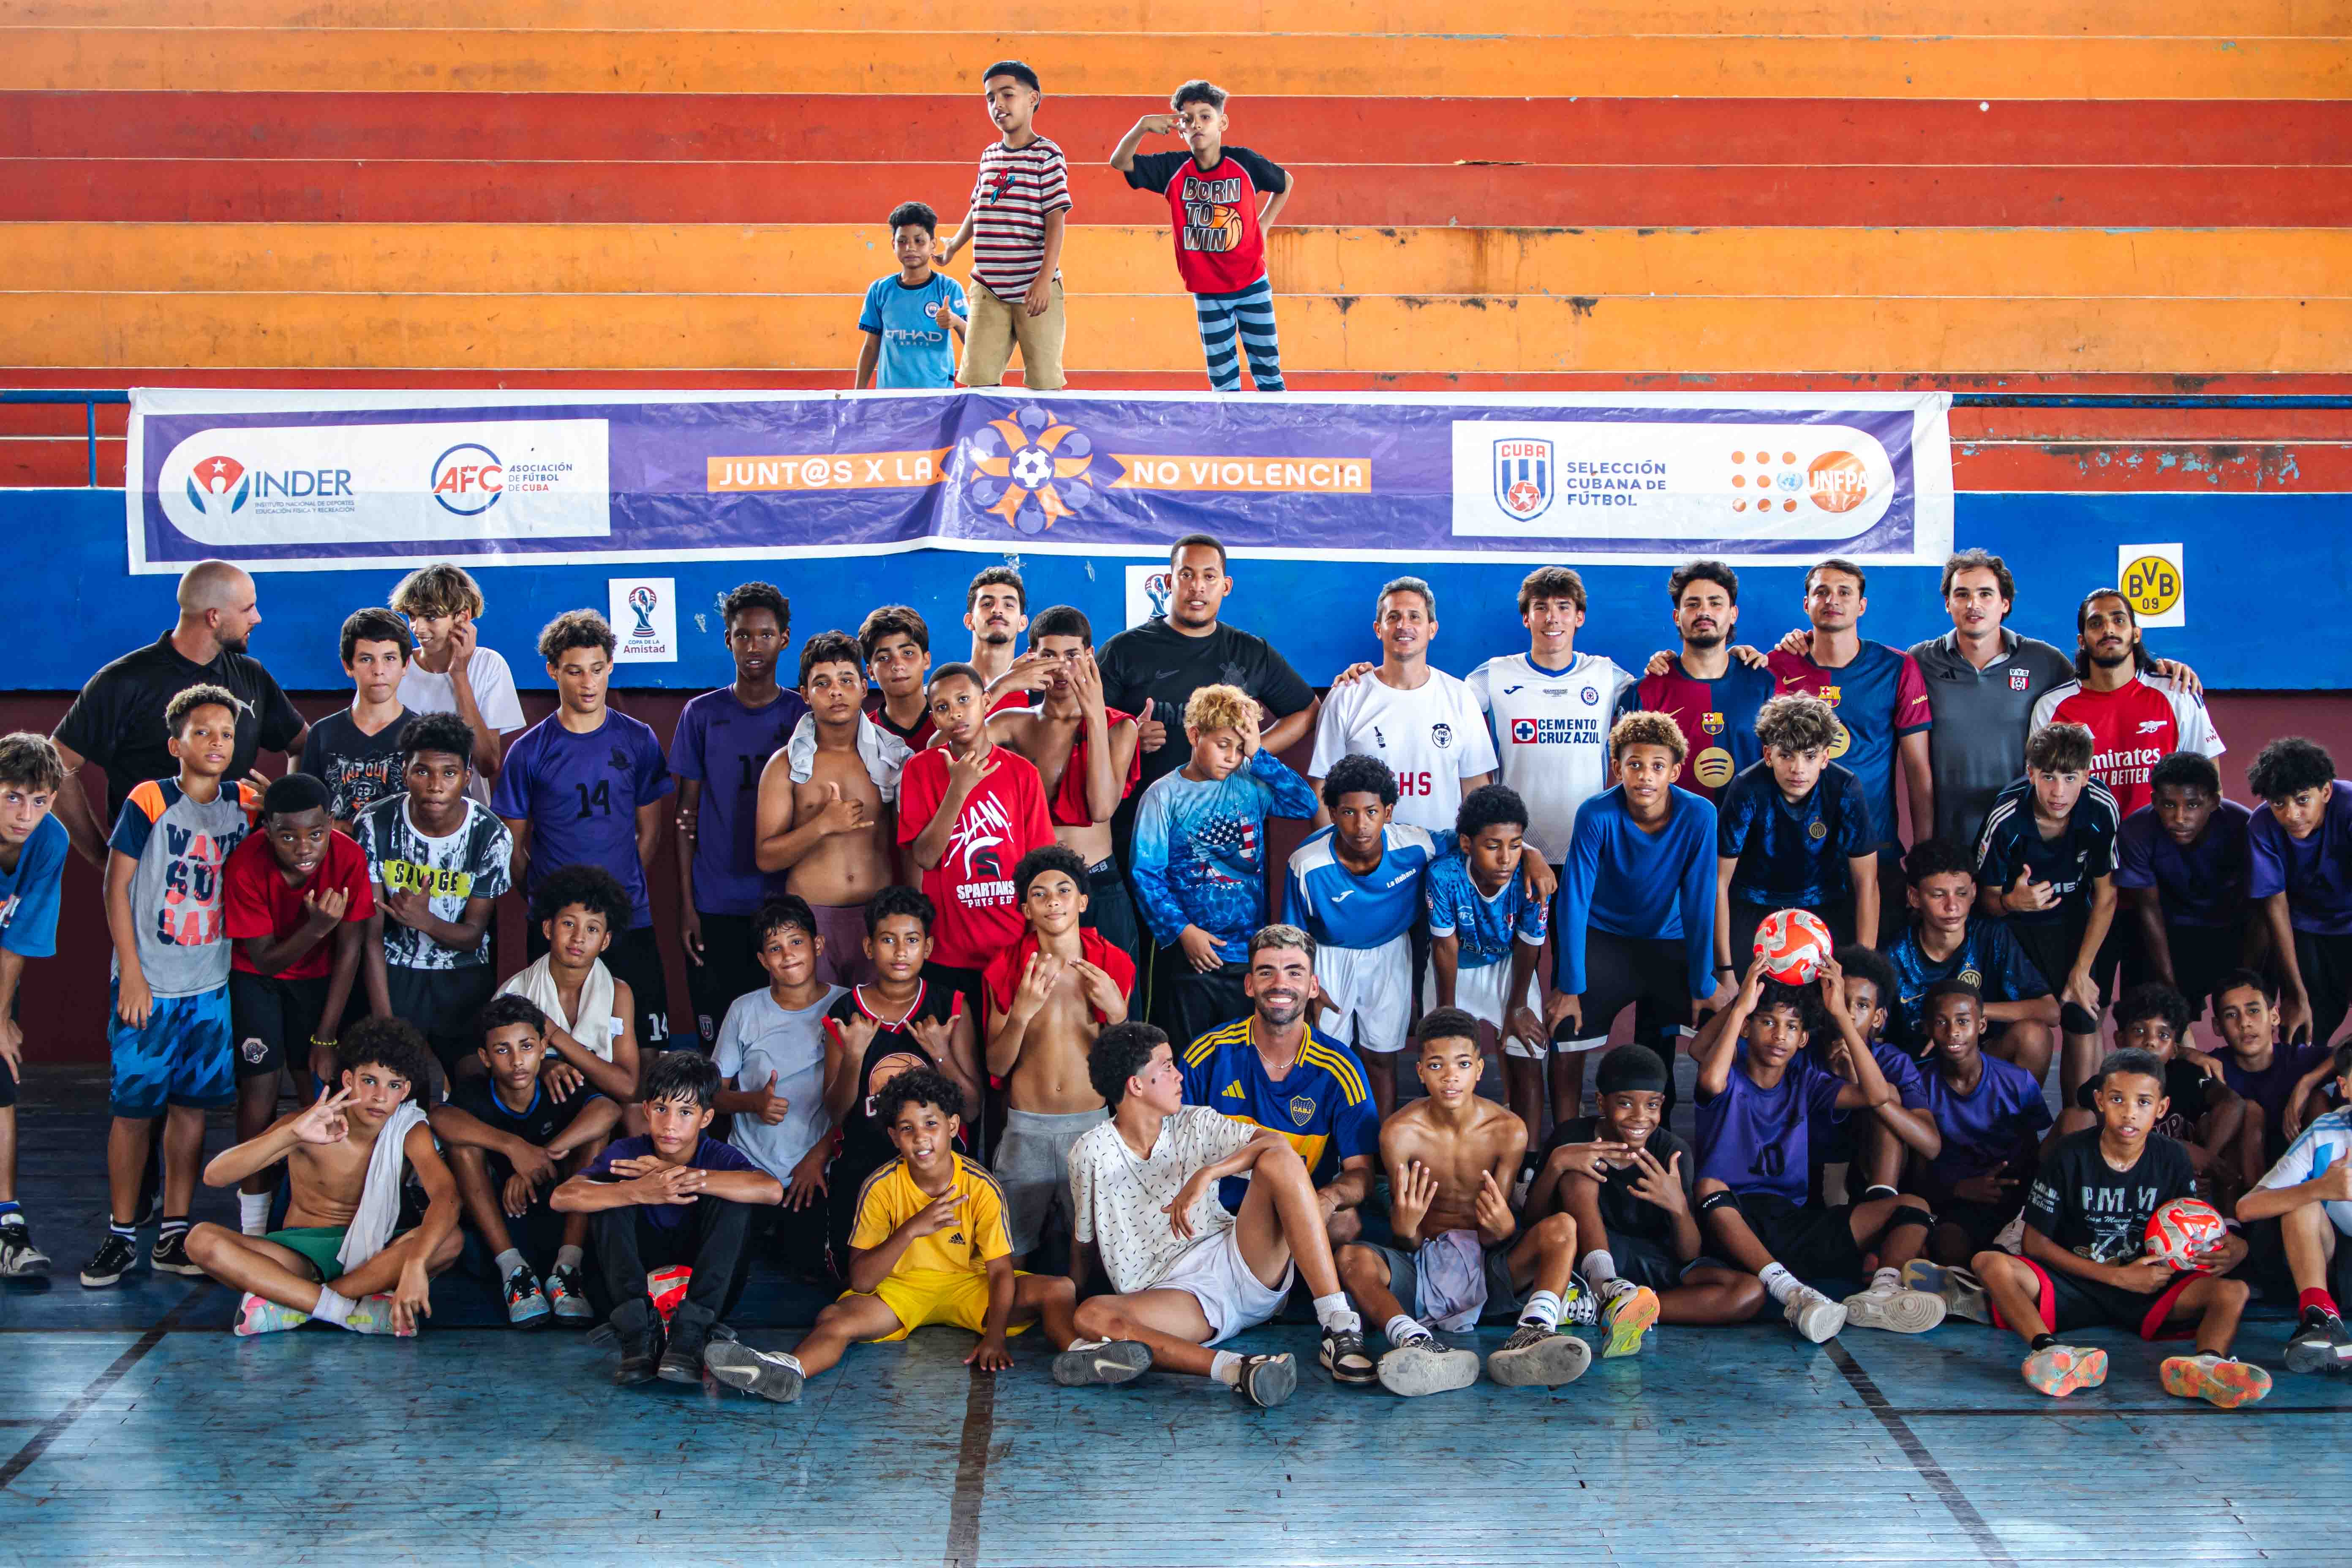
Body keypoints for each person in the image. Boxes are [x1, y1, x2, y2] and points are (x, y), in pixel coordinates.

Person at [704, 1070, 1149, 1402]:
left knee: (1059, 1288)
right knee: (834, 1320)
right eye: (908, 1129)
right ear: (895, 1137)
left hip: (967, 1286)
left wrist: (994, 1337)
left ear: (953, 1127)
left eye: (932, 1125)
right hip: (902, 1290)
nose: (922, 1139)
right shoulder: (881, 1186)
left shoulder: (979, 1184)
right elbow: (860, 1280)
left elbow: (999, 1272)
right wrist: (913, 1228)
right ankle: (788, 1370)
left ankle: (1082, 1354)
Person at [1064, 1022, 1367, 1407]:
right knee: (1091, 1314)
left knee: (1277, 1158)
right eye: (1168, 1066)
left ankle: (1338, 1325)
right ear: (1136, 1086)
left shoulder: (1196, 1121)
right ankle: (1239, 1369)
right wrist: (1072, 1300)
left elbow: (1275, 1143)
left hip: (1241, 1263)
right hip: (1173, 1297)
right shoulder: (1090, 1152)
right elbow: (1083, 1240)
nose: (1180, 1076)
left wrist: (1209, 1173)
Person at [1964, 1046, 2267, 1407]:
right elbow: (2035, 1244)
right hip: (2076, 1283)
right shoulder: (2070, 1153)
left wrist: (2233, 1248)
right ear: (2100, 1101)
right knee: (1988, 1262)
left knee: (2232, 1292)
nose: (2129, 1113)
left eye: (2143, 1102)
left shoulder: (2171, 1158)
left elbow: (2191, 1229)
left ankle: (2206, 1366)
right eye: (2118, 1099)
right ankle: (2049, 1353)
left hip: (2148, 1285)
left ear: (2161, 1108)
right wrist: (2115, 1277)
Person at [83, 684, 259, 1290]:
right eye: (203, 732)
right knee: (134, 1112)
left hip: (210, 988)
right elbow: (116, 888)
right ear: (175, 744)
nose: (217, 743)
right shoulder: (150, 799)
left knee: (191, 1111)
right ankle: (121, 1231)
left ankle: (174, 1233)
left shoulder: (245, 803)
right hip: (150, 985)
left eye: (227, 735)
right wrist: (130, 971)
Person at [1334, 1009, 1592, 1396]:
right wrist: (1405, 1230)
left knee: (1563, 1228)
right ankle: (1415, 1342)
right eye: (1436, 1065)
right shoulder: (1399, 1133)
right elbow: (1408, 1240)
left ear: (1479, 1069)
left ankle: (1533, 1333)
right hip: (1421, 1269)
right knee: (1351, 1258)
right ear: (1420, 1071)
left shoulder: (1508, 1130)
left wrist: (1504, 1228)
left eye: (1463, 1064)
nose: (1450, 1076)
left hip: (1489, 1270)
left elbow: (1497, 1235)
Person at [1690, 955, 1946, 1342]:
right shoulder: (1729, 1078)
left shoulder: (1805, 1082)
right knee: (1709, 1187)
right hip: (1733, 1221)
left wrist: (1841, 1016)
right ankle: (1791, 1292)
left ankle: (1883, 1291)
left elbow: (1878, 1096)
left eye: (1792, 1027)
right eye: (1768, 1022)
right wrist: (1742, 1002)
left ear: (1803, 1038)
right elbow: (1708, 1073)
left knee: (1914, 1208)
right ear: (1745, 1028)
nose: (1780, 1035)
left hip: (1793, 1219)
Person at [185, 1019, 461, 1337]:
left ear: (406, 1091)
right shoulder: (307, 1124)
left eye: (394, 1085)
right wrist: (291, 1133)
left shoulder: (409, 1129)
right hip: (300, 1254)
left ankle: (296, 1304)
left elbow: (448, 1197)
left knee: (451, 1240)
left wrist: (414, 1264)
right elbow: (215, 1176)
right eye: (369, 1081)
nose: (380, 1097)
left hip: (378, 1256)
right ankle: (347, 1311)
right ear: (349, 1080)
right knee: (200, 1240)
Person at [493, 610, 676, 1048]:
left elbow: (649, 831)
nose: (588, 682)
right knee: (551, 1047)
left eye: (597, 670)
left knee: (646, 1045)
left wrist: (615, 896)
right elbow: (513, 847)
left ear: (610, 666)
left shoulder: (638, 738)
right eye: (574, 671)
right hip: (556, 924)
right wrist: (546, 901)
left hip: (629, 915)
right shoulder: (529, 751)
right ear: (553, 671)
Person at [50, 558, 304, 871]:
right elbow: (58, 764)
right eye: (247, 609)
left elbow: (304, 744)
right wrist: (102, 858)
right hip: (154, 878)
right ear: (214, 617)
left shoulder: (252, 675)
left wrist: (285, 807)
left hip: (239, 876)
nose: (258, 618)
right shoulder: (122, 681)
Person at [551, 1052, 784, 1386]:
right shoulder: (628, 1152)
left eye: (686, 1112)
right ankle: (638, 1335)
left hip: (705, 1297)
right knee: (609, 1194)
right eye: (661, 1109)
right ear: (646, 1110)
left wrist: (677, 1174)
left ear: (706, 1118)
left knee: (734, 1199)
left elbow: (771, 1190)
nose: (670, 1124)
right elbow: (562, 1198)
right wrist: (637, 1192)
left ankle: (691, 1334)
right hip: (628, 1293)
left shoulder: (717, 1155)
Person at [1525, 1043, 1769, 1341]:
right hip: (1585, 1261)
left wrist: (1678, 1207)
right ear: (1601, 1103)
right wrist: (1556, 1164)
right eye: (1626, 1103)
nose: (1641, 1117)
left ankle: (1616, 1311)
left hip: (1653, 1262)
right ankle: (1605, 1287)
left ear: (1662, 1104)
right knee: (1581, 1168)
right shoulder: (1573, 1136)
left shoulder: (1672, 1152)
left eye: (1652, 1105)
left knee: (1749, 1293)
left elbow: (1688, 1254)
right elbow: (1532, 1219)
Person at [1096, 533, 1319, 853]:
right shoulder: (1124, 650)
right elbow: (1080, 726)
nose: (1197, 587)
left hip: (1224, 839)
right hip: (1143, 834)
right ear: (1167, 582)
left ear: (1225, 586)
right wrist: (1125, 739)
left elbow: (1307, 710)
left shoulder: (1251, 652)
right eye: (1186, 575)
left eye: (1209, 576)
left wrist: (1246, 753)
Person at [223, 773, 373, 1234]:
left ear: (331, 825)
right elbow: (265, 961)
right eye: (288, 836)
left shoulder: (349, 857)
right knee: (259, 1092)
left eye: (316, 834)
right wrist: (315, 928)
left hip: (320, 982)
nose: (304, 847)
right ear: (266, 829)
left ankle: (323, 1215)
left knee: (323, 1095)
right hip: (258, 980)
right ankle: (254, 1220)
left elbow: (350, 949)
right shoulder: (245, 864)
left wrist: (326, 1035)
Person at [1130, 683, 1317, 1049]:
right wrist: (1183, 931)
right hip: (1190, 957)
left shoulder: (1249, 785)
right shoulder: (1164, 796)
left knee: (1241, 1054)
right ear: (1195, 735)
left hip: (1246, 955)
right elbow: (1146, 874)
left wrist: (1259, 754)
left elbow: (1304, 805)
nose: (1232, 757)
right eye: (1222, 745)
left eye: (1239, 747)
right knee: (1190, 1054)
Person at [1548, 713, 1721, 1095]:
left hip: (1668, 939)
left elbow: (1699, 901)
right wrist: (1570, 984)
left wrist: (1703, 981)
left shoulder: (1700, 815)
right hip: (1606, 937)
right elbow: (1574, 898)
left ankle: (1662, 1134)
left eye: (1658, 767)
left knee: (1701, 1022)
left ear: (1675, 773)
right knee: (1565, 1028)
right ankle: (1562, 1137)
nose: (1646, 775)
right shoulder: (1596, 813)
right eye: (1635, 765)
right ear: (1617, 768)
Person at [1763, 558, 1933, 942]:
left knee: (1866, 983)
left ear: (1862, 606)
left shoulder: (1897, 668)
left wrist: (1923, 856)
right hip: (1794, 857)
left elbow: (1918, 770)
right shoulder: (1774, 666)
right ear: (1806, 604)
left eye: (1844, 592)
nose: (1832, 600)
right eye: (1821, 591)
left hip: (1877, 852)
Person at [670, 582, 807, 1046]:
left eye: (765, 635)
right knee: (721, 1037)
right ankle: (722, 1120)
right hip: (716, 902)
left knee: (782, 1034)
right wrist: (687, 907)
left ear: (784, 639)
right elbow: (684, 817)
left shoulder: (801, 714)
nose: (754, 647)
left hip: (783, 898)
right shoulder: (701, 714)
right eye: (743, 635)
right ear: (727, 639)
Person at [1180, 926, 1378, 1246]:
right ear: (1249, 985)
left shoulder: (1342, 1068)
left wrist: (1326, 1200)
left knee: (1346, 1223)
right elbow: (1172, 1148)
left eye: (1294, 972)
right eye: (1266, 972)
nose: (1280, 984)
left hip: (1294, 1219)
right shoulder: (1207, 1054)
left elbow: (1362, 1174)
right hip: (1215, 1218)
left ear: (1313, 987)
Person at [984, 846, 1135, 1263]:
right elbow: (995, 1065)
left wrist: (1118, 1013)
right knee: (1008, 1251)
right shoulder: (1006, 968)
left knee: (1088, 1252)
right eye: (1039, 893)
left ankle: (1078, 1316)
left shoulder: (1112, 966)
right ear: (1025, 909)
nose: (1053, 900)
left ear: (1083, 901)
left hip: (1090, 1128)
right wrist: (1021, 1015)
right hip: (1024, 1130)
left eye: (1064, 890)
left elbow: (1126, 1068)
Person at [428, 995, 615, 1327]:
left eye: (526, 1047)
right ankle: (514, 1272)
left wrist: (543, 1156)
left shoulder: (557, 1087)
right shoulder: (476, 1093)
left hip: (563, 1212)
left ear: (544, 1049)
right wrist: (513, 1147)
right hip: (501, 1218)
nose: (517, 1060)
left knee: (594, 1136)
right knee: (463, 1144)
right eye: (503, 1050)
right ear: (485, 1057)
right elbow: (441, 1119)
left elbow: (609, 1111)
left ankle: (568, 1270)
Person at [351, 713, 512, 1083]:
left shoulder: (490, 835)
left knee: (473, 1087)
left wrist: (426, 921)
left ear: (467, 778)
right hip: (394, 971)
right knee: (403, 1086)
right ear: (405, 772)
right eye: (422, 772)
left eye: (450, 774)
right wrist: (385, 1021)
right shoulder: (376, 824)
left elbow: (474, 934)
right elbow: (370, 935)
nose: (436, 785)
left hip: (463, 975)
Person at [823, 887, 980, 1259]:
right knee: (860, 1278)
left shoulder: (951, 1005)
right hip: (867, 1163)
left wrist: (941, 1054)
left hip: (938, 1163)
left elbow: (971, 1109)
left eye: (911, 940)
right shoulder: (845, 1012)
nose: (900, 952)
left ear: (927, 948)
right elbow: (834, 1113)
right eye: (888, 940)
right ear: (868, 947)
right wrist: (854, 1056)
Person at [898, 662, 1055, 1033]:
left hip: (1013, 948)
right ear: (933, 717)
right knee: (956, 1064)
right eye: (942, 707)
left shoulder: (1021, 774)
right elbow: (924, 856)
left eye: (964, 700)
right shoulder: (920, 770)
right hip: (949, 951)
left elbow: (1040, 865)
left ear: (986, 703)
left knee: (1010, 1063)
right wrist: (959, 788)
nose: (955, 714)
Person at [1111, 79, 1291, 391]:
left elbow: (1285, 181)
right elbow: (1120, 162)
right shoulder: (1173, 168)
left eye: (1206, 117)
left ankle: (1276, 437)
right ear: (1180, 130)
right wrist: (1142, 126)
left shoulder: (1244, 162)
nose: (1197, 125)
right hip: (1208, 292)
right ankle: (1230, 437)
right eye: (1188, 120)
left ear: (1222, 122)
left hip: (1251, 283)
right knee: (1223, 381)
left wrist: (1264, 224)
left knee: (1268, 373)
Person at [1283, 755, 1436, 1119]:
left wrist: (1530, 851)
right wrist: (1307, 990)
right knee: (1323, 1057)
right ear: (1333, 814)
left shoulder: (1417, 846)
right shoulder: (1307, 864)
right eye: (1349, 813)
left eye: (1371, 812)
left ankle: (1379, 1145)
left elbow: (1475, 840)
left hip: (1389, 954)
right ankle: (1328, 1146)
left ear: (1389, 812)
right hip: (1327, 957)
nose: (1361, 825)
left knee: (1380, 1057)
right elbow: (1291, 939)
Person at [1974, 720, 2121, 1100]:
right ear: (2031, 773)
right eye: (2049, 777)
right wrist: (2010, 902)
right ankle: (2009, 1123)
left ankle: (2079, 1120)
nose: (2059, 792)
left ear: (2086, 777)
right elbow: (1983, 900)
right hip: (2016, 930)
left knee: (2082, 1013)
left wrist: (2082, 969)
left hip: (2077, 922)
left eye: (2070, 778)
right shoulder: (2006, 817)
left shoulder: (2101, 809)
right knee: (2017, 1029)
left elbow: (2106, 897)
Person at [988, 606, 1144, 958]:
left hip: (1098, 883)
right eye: (1049, 656)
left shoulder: (1120, 726)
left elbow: (1102, 808)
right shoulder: (1012, 724)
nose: (1061, 668)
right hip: (1034, 887)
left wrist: (1094, 714)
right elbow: (938, 751)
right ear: (1032, 659)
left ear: (1089, 656)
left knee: (1112, 1007)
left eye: (1072, 655)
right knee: (1036, 1004)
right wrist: (1003, 684)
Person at [754, 631, 901, 989]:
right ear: (805, 694)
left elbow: (912, 845)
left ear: (865, 687)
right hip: (810, 921)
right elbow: (766, 857)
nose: (836, 691)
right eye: (822, 683)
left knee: (875, 1035)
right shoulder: (784, 766)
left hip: (877, 917)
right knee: (813, 1034)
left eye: (846, 680)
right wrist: (822, 825)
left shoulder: (893, 760)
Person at [1906, 550, 2079, 852]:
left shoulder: (2045, 661)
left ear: (2005, 604)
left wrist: (2155, 668)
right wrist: (1802, 646)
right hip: (1949, 836)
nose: (1973, 605)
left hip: (2022, 835)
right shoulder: (1920, 660)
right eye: (1962, 594)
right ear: (1948, 604)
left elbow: (2100, 690)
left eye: (1986, 594)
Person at [1466, 566, 1637, 871]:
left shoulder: (1606, 674)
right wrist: (1368, 679)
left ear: (1579, 617)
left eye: (1563, 607)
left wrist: (1728, 658)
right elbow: (1435, 699)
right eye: (1541, 607)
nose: (1552, 617)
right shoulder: (1493, 675)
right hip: (1517, 847)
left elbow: (1658, 693)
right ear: (1526, 618)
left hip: (1590, 845)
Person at [711, 897, 847, 1267]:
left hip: (815, 1167)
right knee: (729, 1255)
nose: (787, 956)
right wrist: (753, 1102)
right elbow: (713, 1096)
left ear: (818, 945)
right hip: (750, 1164)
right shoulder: (745, 1010)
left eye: (797, 942)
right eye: (775, 948)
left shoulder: (846, 1006)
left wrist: (817, 1158)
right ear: (763, 960)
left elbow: (857, 1103)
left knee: (806, 1263)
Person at [1308, 577, 1499, 841]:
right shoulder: (1346, 697)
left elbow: (1476, 789)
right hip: (1367, 865)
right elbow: (1321, 789)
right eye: (1394, 617)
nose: (1403, 626)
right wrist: (1333, 862)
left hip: (1441, 859)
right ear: (1378, 629)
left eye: (1414, 617)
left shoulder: (1460, 696)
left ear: (1433, 629)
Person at [2029, 587, 2222, 822]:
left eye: (2119, 620)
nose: (2108, 629)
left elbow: (2211, 784)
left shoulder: (2178, 693)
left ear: (2136, 634)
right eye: (2096, 623)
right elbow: (2040, 789)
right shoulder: (2051, 706)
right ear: (2082, 641)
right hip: (2086, 848)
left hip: (2162, 846)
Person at [1714, 694, 1877, 971]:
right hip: (1752, 904)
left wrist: (1862, 969)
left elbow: (1867, 883)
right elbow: (1718, 882)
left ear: (1825, 758)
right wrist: (1725, 969)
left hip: (1825, 903)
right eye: (1786, 755)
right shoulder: (1746, 788)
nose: (1798, 769)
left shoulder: (1845, 787)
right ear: (1768, 755)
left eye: (1810, 756)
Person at [2056, 983, 2256, 1206]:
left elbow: (2233, 1104)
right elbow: (2105, 1132)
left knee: (2222, 1120)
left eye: (2163, 1035)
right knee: (2077, 1118)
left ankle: (2231, 1220)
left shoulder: (2186, 1075)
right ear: (2120, 1040)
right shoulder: (2106, 1082)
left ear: (2175, 1047)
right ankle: (2071, 1207)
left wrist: (2204, 1162)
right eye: (2139, 1031)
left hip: (2179, 1185)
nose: (2151, 1041)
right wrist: (2183, 1150)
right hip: (2119, 1186)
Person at [1902, 980, 2054, 1268]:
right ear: (1928, 1029)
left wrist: (2018, 1196)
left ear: (1982, 1025)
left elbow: (2032, 1151)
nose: (1953, 1032)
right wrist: (1960, 1189)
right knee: (1950, 1251)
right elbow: (1917, 1177)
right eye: (1941, 1023)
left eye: (1963, 1021)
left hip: (2013, 1198)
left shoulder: (2017, 1081)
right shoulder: (1919, 1086)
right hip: (1957, 1201)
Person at [1423, 785, 1549, 1130]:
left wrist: (1518, 1005)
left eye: (1515, 845)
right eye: (1493, 847)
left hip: (1510, 965)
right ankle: (1445, 1144)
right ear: (1467, 844)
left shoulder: (1533, 877)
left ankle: (1529, 1162)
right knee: (1446, 1056)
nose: (1506, 858)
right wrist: (1447, 1013)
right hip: (1456, 967)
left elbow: (1529, 943)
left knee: (1528, 1055)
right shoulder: (1445, 875)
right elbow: (1445, 947)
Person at [938, 60, 1069, 392]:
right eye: (990, 97)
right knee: (978, 381)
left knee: (1045, 382)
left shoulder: (1047, 155)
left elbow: (1056, 221)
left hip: (1033, 287)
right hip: (988, 287)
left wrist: (1043, 280)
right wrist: (954, 244)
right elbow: (979, 206)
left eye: (1008, 95)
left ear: (1032, 99)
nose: (998, 104)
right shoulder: (989, 156)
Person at [1881, 838, 2058, 1078]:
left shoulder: (1992, 937)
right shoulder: (1893, 954)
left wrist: (1972, 1012)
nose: (1952, 906)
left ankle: (2019, 1115)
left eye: (1962, 893)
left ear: (1974, 892)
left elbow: (2051, 1012)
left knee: (2034, 1036)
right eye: (1938, 895)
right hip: (1918, 1074)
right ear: (1914, 898)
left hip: (1981, 1066)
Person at [2115, 750, 2256, 1037]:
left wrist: (2247, 976)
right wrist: (2170, 988)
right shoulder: (2136, 832)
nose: (2180, 817)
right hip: (2168, 931)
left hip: (2231, 931)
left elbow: (2262, 906)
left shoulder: (2245, 827)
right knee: (2155, 1015)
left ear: (2213, 802)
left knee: (2248, 1010)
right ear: (2155, 802)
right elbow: (2148, 910)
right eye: (2169, 805)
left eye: (2192, 805)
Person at [2235, 1042, 2352, 1374]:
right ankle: (2321, 1318)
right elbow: (2247, 1208)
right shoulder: (2327, 1132)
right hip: (2341, 1265)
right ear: (2344, 1087)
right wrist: (2321, 1187)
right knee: (2302, 1203)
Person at [1617, 560, 1774, 805]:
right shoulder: (1645, 693)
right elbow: (1622, 782)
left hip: (1750, 837)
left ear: (1733, 614)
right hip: (1671, 838)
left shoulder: (1765, 685)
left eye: (1715, 603)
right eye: (1693, 604)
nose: (1704, 612)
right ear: (1677, 616)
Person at [0, 733, 67, 1277]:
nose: (26, 814)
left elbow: (20, 936)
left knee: (1, 1076)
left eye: (40, 800)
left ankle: (7, 1226)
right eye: (12, 797)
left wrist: (0, 1017)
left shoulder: (50, 841)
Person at [496, 864, 644, 1107]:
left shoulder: (619, 993)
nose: (579, 938)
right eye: (568, 924)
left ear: (605, 941)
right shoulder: (515, 991)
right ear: (547, 928)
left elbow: (627, 1088)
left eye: (593, 929)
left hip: (597, 1110)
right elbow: (496, 1069)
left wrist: (553, 1033)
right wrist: (544, 1067)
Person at [1807, 945, 1941, 1206]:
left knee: (1886, 1093)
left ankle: (1881, 1201)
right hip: (1810, 1166)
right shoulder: (1804, 1052)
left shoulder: (1892, 1061)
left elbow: (1931, 1145)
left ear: (1879, 1017)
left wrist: (1859, 1080)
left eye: (1863, 1005)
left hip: (1865, 1170)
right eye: (1841, 1001)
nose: (1850, 1013)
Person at [2247, 736, 2352, 1051]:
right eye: (2279, 803)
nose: (2291, 814)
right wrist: (2295, 993)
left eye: (2303, 800)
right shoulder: (2262, 826)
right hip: (2305, 926)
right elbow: (2275, 907)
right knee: (2305, 1030)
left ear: (2327, 792)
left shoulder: (2349, 809)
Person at [389, 562, 526, 801]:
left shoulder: (489, 664)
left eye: (431, 617)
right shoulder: (394, 667)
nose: (418, 628)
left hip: (465, 815)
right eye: (412, 616)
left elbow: (487, 763)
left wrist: (460, 674)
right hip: (400, 809)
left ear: (462, 617)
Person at [299, 607, 413, 831]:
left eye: (389, 658)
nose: (379, 670)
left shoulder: (424, 735)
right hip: (338, 858)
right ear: (348, 666)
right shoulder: (323, 734)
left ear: (405, 665)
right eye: (366, 659)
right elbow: (306, 811)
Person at [2208, 969, 2334, 1160]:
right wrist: (2188, 1053)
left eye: (2254, 1011)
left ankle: (2329, 1183)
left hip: (2300, 1170)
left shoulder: (2298, 1059)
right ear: (2217, 1026)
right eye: (2232, 1015)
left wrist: (2308, 1082)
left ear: (2275, 1016)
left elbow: (2347, 1049)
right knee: (2246, 1109)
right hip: (2239, 1178)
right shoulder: (2213, 1065)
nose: (2245, 1023)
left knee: (2318, 1099)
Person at [854, 200, 969, 389]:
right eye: (903, 241)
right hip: (890, 398)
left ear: (933, 245)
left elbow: (972, 340)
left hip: (937, 398)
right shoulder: (879, 290)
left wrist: (956, 321)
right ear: (894, 244)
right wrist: (858, 395)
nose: (910, 247)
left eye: (919, 241)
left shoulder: (949, 288)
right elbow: (871, 347)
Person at [858, 604, 935, 749]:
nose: (898, 665)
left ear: (927, 660)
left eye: (908, 653)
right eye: (884, 658)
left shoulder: (955, 720)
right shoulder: (861, 736)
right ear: (871, 672)